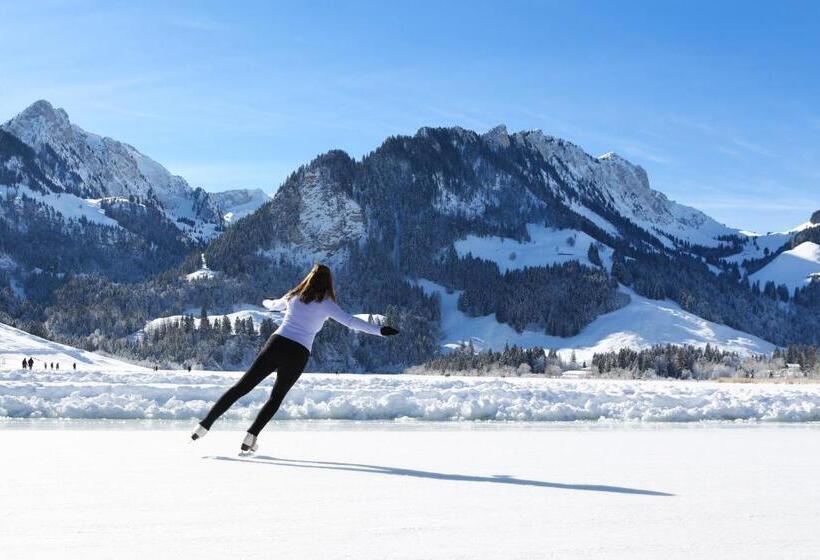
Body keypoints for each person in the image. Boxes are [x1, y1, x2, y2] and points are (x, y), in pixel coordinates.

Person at [191, 263, 398, 453]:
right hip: (298, 353)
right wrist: (379, 330)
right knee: (276, 397)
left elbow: (272, 305)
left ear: (309, 278)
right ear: (328, 283)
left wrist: (263, 300)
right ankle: (250, 436)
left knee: (241, 387)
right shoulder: (327, 304)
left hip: (276, 344)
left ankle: (204, 425)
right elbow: (351, 322)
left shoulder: (294, 296)